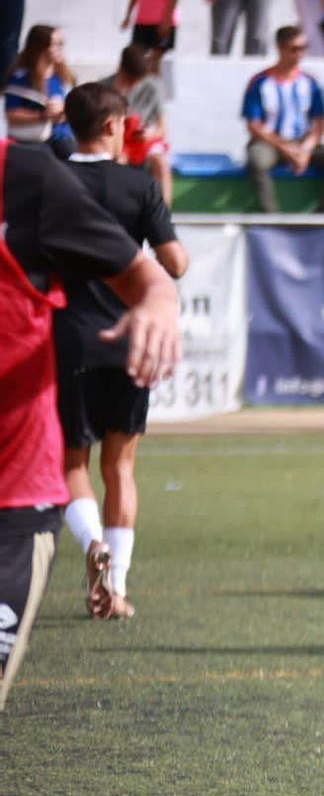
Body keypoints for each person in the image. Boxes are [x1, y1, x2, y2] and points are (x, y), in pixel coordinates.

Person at [0, 123, 182, 796]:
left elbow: (152, 273)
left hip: (6, 498)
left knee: (106, 465)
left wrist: (157, 305)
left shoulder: (26, 177)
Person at [53, 83, 190, 622]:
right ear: (113, 125)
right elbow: (175, 263)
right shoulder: (137, 185)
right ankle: (119, 587)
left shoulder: (52, 181)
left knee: (70, 463)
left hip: (67, 338)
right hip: (131, 340)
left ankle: (91, 543)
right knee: (121, 466)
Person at [241, 26, 324, 213]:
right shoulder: (260, 82)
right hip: (271, 143)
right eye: (295, 49)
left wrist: (305, 149)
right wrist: (284, 147)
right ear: (280, 48)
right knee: (256, 160)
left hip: (302, 142)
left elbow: (319, 122)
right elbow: (254, 125)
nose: (300, 54)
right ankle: (271, 218)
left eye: (304, 48)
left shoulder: (310, 82)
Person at [100, 46, 175, 246]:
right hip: (118, 141)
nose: (134, 84)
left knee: (160, 163)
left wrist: (149, 133)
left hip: (144, 140)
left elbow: (162, 128)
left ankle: (163, 219)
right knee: (117, 163)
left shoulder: (153, 87)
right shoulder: (104, 88)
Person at [4, 25, 74, 160]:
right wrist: (43, 115)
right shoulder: (20, 78)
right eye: (55, 44)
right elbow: (11, 114)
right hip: (33, 143)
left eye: (61, 44)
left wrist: (64, 110)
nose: (60, 48)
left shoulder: (64, 76)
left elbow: (75, 106)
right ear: (40, 47)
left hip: (63, 140)